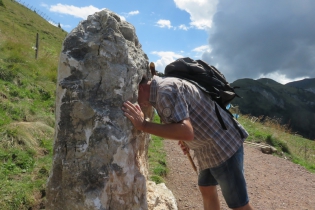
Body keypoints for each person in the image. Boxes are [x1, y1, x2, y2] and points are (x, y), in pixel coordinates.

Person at [122, 75, 254, 210]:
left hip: (223, 147)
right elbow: (183, 121)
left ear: (141, 87)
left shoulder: (165, 92)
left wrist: (144, 125)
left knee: (239, 204)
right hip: (209, 149)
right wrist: (184, 139)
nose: (138, 103)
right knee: (206, 188)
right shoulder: (163, 88)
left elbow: (186, 131)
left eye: (136, 96)